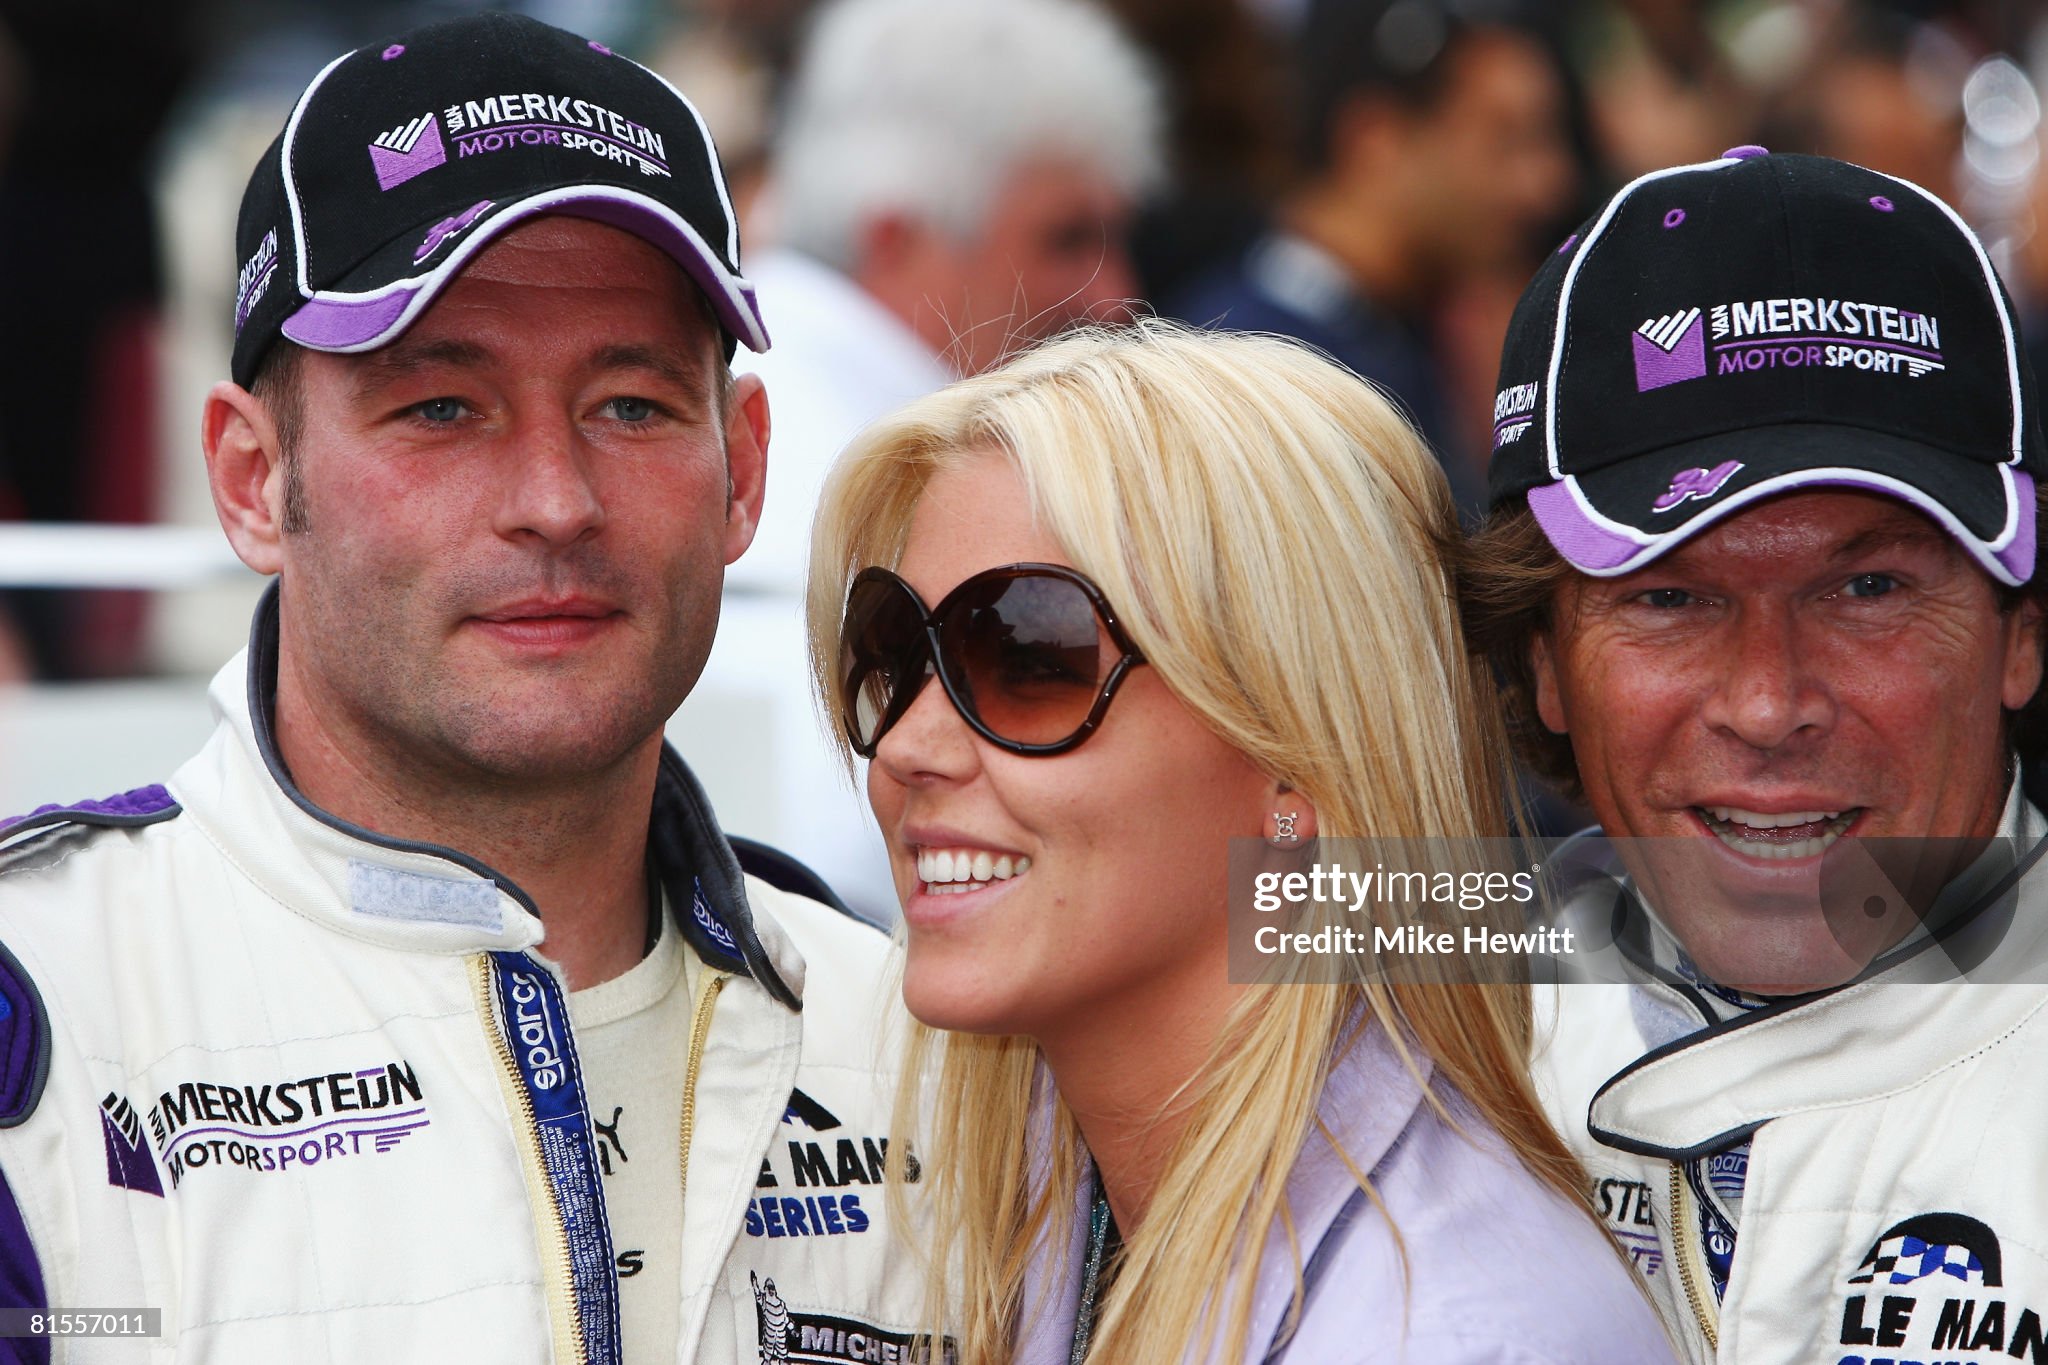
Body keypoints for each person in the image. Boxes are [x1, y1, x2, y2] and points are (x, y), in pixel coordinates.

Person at [0, 16, 926, 1363]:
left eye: (629, 405)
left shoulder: (931, 1043)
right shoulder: (46, 1025)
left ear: (744, 466)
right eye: (441, 407)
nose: (555, 501)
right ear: (254, 479)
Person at [804, 321, 1677, 1363]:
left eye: (1026, 656)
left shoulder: (1449, 1335)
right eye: (895, 654)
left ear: (1295, 759)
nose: (905, 743)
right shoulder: (1057, 1218)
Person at [1464, 146, 2048, 1360]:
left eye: (1869, 585)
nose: (1768, 703)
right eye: (1669, 597)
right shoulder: (1407, 1034)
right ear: (1538, 664)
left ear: (2018, 639)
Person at [689, 0, 1164, 922]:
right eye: (1067, 238)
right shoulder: (799, 516)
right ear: (894, 237)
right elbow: (819, 897)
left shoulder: (874, 437)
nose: (1118, 296)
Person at [1169, 0, 1575, 516]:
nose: (1547, 186)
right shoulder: (1242, 369)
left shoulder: (1409, 331)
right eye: (1506, 141)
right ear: (1377, 140)